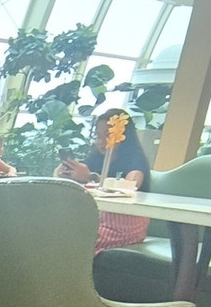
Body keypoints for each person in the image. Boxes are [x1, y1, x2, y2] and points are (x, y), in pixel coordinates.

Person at [55, 108, 151, 253]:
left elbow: (131, 187)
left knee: (68, 237)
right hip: (96, 219)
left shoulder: (135, 160)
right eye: (98, 135)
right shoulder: (96, 158)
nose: (101, 141)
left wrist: (91, 177)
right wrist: (65, 172)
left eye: (108, 135)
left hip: (124, 225)